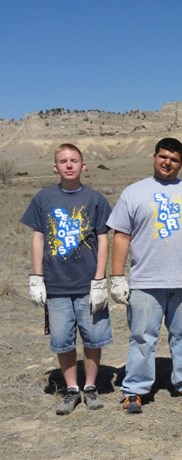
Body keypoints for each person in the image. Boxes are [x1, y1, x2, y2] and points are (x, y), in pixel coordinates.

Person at [108, 138, 182, 414]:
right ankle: (134, 389)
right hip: (146, 281)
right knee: (142, 336)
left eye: (174, 159)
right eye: (163, 156)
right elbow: (121, 235)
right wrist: (117, 276)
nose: (167, 162)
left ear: (181, 163)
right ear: (154, 156)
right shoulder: (133, 192)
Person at [21, 143, 112, 415]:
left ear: (84, 166)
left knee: (94, 337)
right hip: (57, 284)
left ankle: (91, 387)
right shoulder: (43, 198)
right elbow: (38, 237)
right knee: (62, 340)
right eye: (63, 161)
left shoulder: (95, 199)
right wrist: (36, 277)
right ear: (55, 167)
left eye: (74, 160)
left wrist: (100, 279)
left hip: (88, 283)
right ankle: (72, 388)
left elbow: (103, 239)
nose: (69, 165)